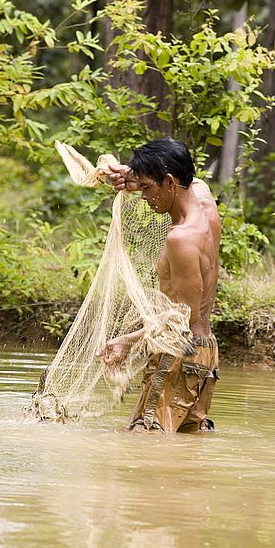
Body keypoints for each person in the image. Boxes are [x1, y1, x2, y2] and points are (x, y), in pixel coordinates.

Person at [98, 138, 220, 433]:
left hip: (177, 355)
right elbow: (191, 179)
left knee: (145, 439)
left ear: (168, 181)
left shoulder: (181, 238)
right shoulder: (204, 199)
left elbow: (182, 320)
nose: (144, 197)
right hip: (205, 353)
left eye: (147, 188)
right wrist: (133, 175)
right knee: (186, 445)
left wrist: (127, 340)